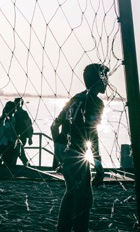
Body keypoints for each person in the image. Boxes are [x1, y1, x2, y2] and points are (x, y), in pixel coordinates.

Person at [51, 63, 108, 232]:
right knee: (84, 196)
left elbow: (54, 125)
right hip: (75, 151)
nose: (107, 82)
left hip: (64, 148)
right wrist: (98, 164)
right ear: (99, 79)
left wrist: (58, 151)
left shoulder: (75, 98)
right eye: (105, 78)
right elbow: (92, 134)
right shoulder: (96, 102)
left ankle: (63, 229)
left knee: (71, 192)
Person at [0, 101, 17, 166]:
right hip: (6, 143)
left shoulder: (2, 119)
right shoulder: (9, 120)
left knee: (1, 162)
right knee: (6, 163)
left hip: (3, 143)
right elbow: (9, 134)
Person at [14, 97, 34, 166]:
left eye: (16, 103)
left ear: (21, 104)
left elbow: (28, 125)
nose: (15, 105)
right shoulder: (15, 114)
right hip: (15, 136)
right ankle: (27, 166)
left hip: (22, 136)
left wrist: (30, 138)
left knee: (19, 153)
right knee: (18, 153)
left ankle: (28, 166)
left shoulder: (24, 113)